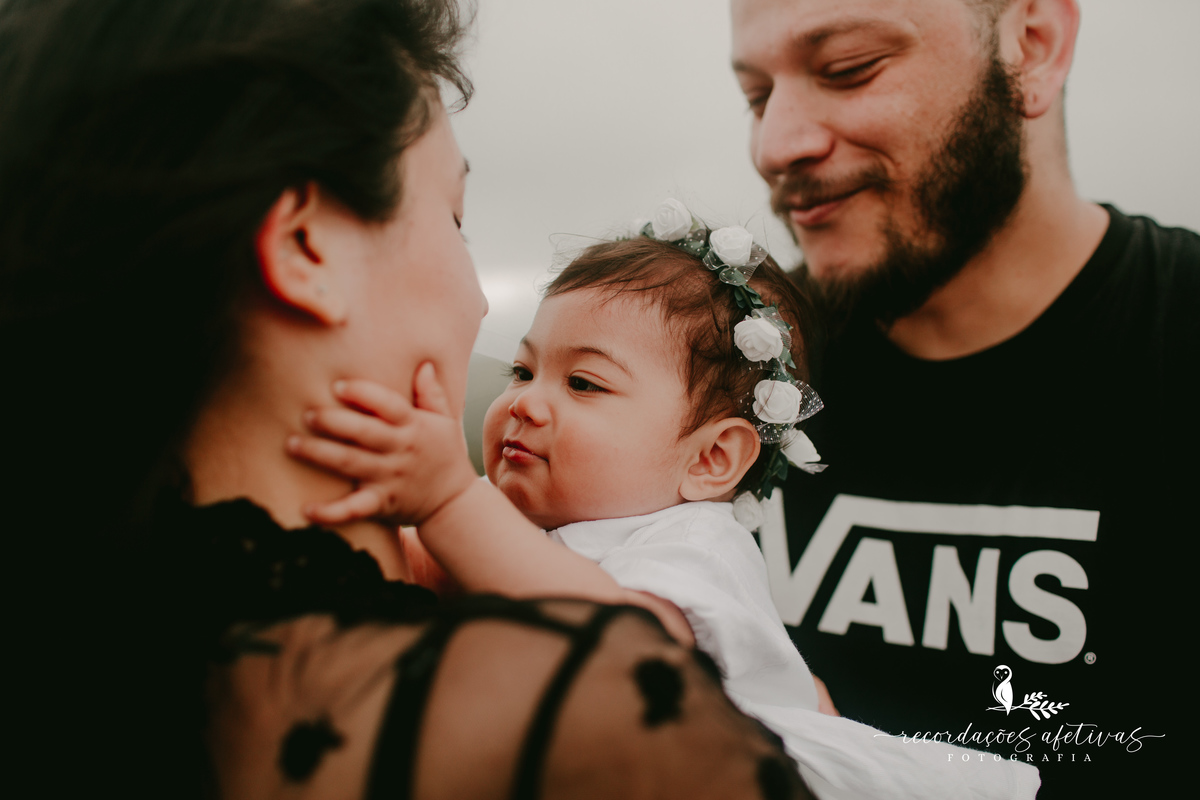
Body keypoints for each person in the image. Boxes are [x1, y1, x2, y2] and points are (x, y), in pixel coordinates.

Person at [1, 1, 816, 798]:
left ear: (716, 455)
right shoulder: (584, 721)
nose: (480, 305)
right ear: (305, 247)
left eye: (586, 381)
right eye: (456, 219)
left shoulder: (82, 617)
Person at [289, 200, 1041, 800]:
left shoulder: (693, 545)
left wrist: (445, 498)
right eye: (523, 373)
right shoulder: (519, 512)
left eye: (583, 384)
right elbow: (420, 563)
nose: (527, 404)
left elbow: (622, 644)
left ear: (713, 459)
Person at [729, 0, 1195, 795]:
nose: (775, 145)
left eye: (849, 68)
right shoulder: (730, 366)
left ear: (1033, 46)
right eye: (757, 96)